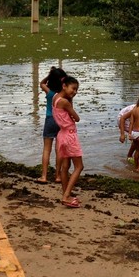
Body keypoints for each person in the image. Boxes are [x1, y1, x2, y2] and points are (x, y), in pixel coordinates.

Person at [52, 75, 83, 208]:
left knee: (65, 167)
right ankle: (66, 196)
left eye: (76, 90)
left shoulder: (55, 98)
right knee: (79, 166)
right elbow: (76, 118)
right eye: (73, 89)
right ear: (64, 86)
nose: (74, 92)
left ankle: (66, 194)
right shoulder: (65, 102)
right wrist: (71, 102)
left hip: (61, 134)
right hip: (70, 135)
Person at [36, 66, 67, 184]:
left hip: (49, 120)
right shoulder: (64, 95)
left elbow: (42, 83)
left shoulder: (49, 92)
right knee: (59, 149)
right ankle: (58, 175)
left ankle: (44, 176)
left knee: (46, 149)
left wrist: (50, 74)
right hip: (61, 121)